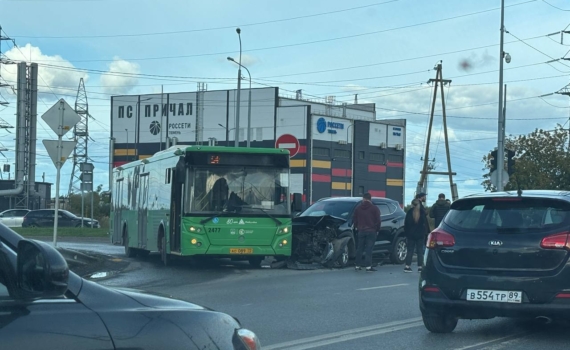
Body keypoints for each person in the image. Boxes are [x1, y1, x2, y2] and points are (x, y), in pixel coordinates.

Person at [353, 193, 381, 272]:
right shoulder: (375, 208)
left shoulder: (358, 209)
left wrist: (357, 227)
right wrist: (377, 229)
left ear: (363, 199)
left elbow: (354, 219)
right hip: (371, 231)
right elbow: (378, 221)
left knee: (359, 248)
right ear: (370, 199)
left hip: (361, 230)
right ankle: (368, 266)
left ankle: (357, 265)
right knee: (369, 249)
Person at [404, 193, 431, 273]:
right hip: (420, 234)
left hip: (411, 234)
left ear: (412, 204)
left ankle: (407, 266)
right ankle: (420, 267)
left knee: (410, 250)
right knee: (420, 251)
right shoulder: (422, 212)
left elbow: (406, 224)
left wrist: (407, 234)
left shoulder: (409, 212)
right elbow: (424, 224)